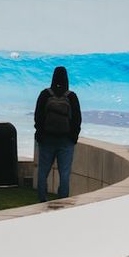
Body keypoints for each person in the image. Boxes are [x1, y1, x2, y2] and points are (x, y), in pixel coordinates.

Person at [33, 66, 82, 203]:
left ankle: (42, 200)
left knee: (43, 172)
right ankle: (62, 201)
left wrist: (40, 134)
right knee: (64, 173)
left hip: (47, 139)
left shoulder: (45, 94)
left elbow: (38, 116)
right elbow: (77, 119)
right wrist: (73, 137)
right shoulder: (71, 96)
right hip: (66, 141)